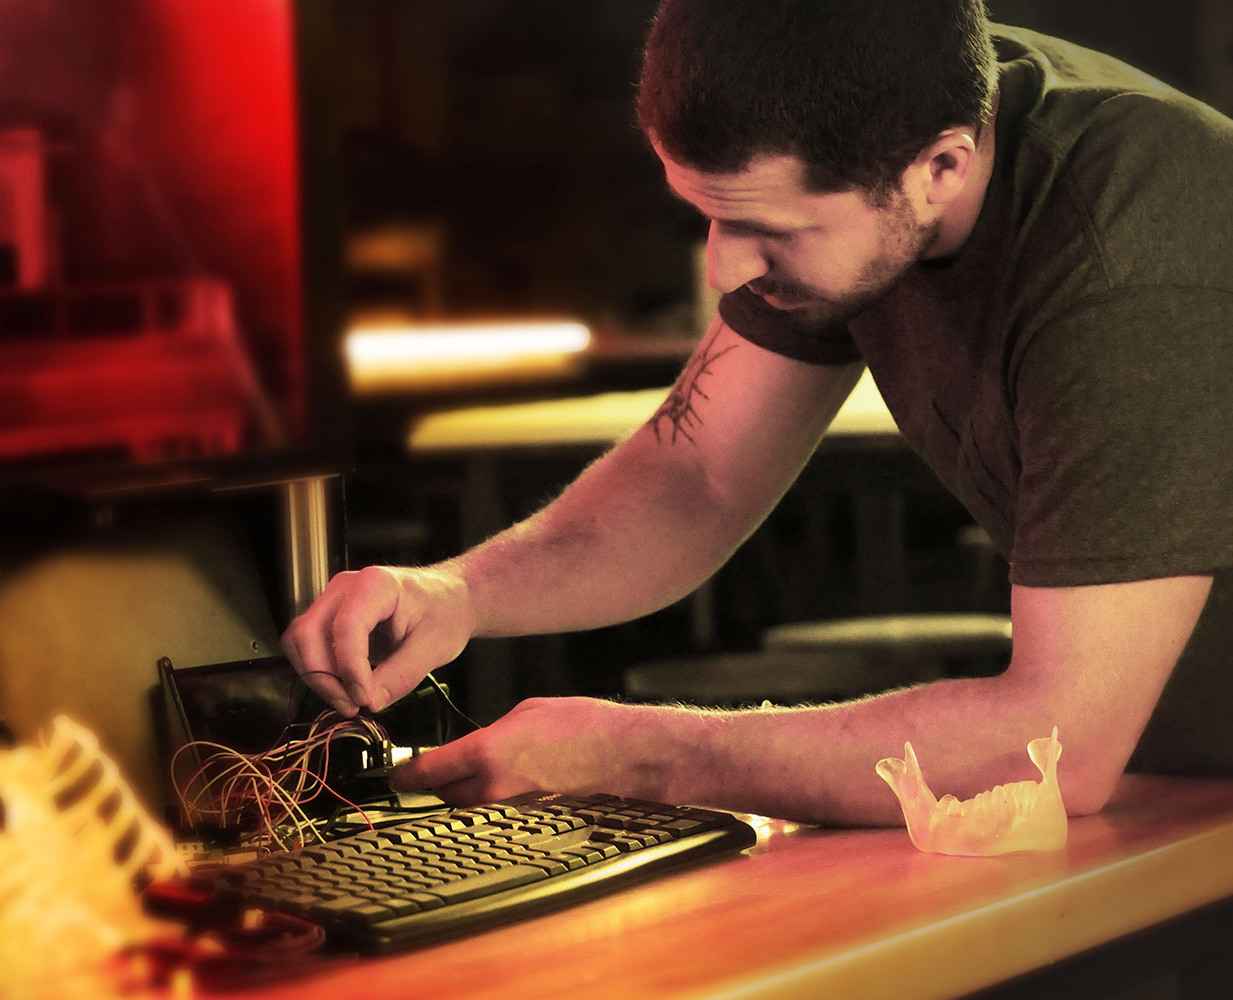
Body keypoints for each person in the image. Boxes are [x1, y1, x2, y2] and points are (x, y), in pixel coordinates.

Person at [284, 0, 1233, 826]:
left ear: (940, 167)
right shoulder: (882, 115)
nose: (723, 270)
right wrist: (459, 594)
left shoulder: (1131, 245)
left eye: (767, 229)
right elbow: (696, 475)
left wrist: (636, 755)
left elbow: (1052, 739)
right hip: (1169, 781)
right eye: (708, 214)